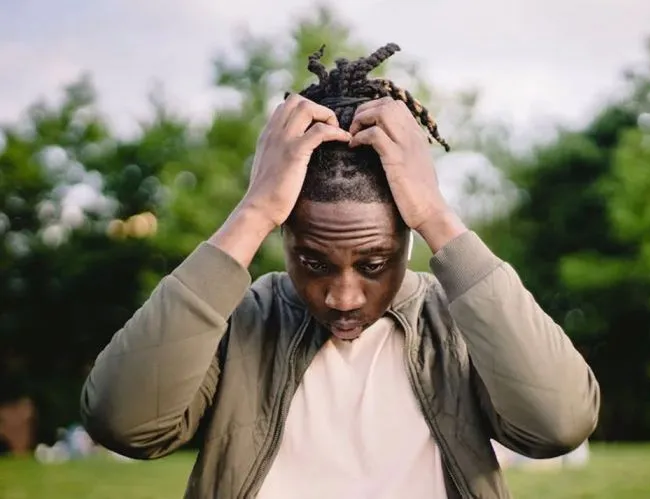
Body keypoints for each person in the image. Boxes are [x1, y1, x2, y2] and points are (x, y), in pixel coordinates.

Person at [80, 43, 600, 499]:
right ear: (284, 236)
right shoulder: (240, 321)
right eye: (314, 262)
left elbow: (559, 425)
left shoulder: (462, 324)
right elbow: (124, 423)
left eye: (373, 264)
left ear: (408, 238)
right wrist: (253, 211)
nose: (343, 297)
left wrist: (437, 215)